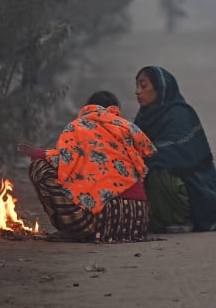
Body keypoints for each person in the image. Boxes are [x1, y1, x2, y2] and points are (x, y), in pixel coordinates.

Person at [17, 91, 156, 243]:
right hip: (136, 222)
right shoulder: (127, 128)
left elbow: (65, 162)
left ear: (87, 107)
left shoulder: (77, 127)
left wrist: (40, 154)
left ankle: (72, 230)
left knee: (40, 167)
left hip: (97, 223)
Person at [133, 66, 216, 233]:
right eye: (137, 86)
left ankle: (183, 218)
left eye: (143, 86)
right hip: (171, 179)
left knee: (158, 172)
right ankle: (159, 218)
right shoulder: (144, 116)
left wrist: (142, 159)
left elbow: (177, 154)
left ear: (160, 88)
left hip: (195, 186)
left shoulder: (180, 114)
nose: (138, 91)